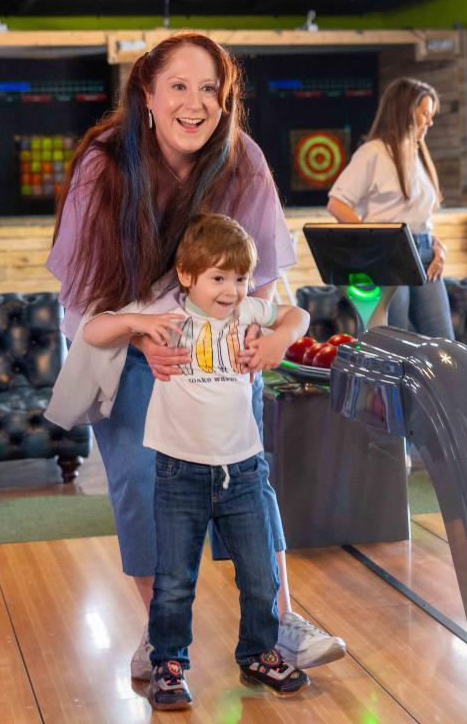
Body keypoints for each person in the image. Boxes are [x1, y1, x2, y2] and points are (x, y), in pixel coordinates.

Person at [46, 33, 345, 680]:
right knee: (143, 486)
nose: (195, 102)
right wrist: (141, 334)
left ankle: (279, 624)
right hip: (127, 345)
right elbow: (80, 294)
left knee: (247, 485)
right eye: (178, 85)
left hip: (221, 350)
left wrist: (259, 341)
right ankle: (160, 640)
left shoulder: (243, 161)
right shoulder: (105, 162)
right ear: (147, 96)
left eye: (210, 88)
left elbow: (264, 279)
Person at [84, 214, 313, 709]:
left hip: (244, 472)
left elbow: (298, 316)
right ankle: (169, 664)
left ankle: (259, 653)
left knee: (259, 575)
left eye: (239, 278)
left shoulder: (249, 314)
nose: (231, 290)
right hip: (180, 473)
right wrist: (136, 324)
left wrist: (278, 340)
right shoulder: (168, 316)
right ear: (186, 276)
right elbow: (93, 330)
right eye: (218, 278)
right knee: (174, 579)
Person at [326, 77, 454, 337]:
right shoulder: (373, 152)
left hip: (426, 251)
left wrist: (437, 244)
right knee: (395, 341)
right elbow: (337, 204)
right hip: (389, 254)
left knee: (444, 341)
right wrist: (374, 240)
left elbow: (417, 215)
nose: (430, 122)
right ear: (406, 111)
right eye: (425, 114)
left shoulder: (419, 155)